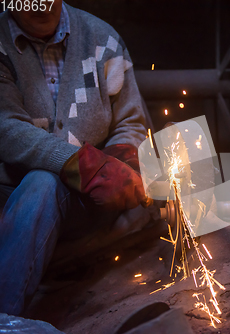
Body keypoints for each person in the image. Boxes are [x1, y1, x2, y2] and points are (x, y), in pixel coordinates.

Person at [0, 0, 150, 315]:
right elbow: (7, 129)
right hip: (12, 200)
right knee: (42, 182)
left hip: (87, 206)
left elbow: (131, 123)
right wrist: (83, 165)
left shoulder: (103, 39)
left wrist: (119, 162)